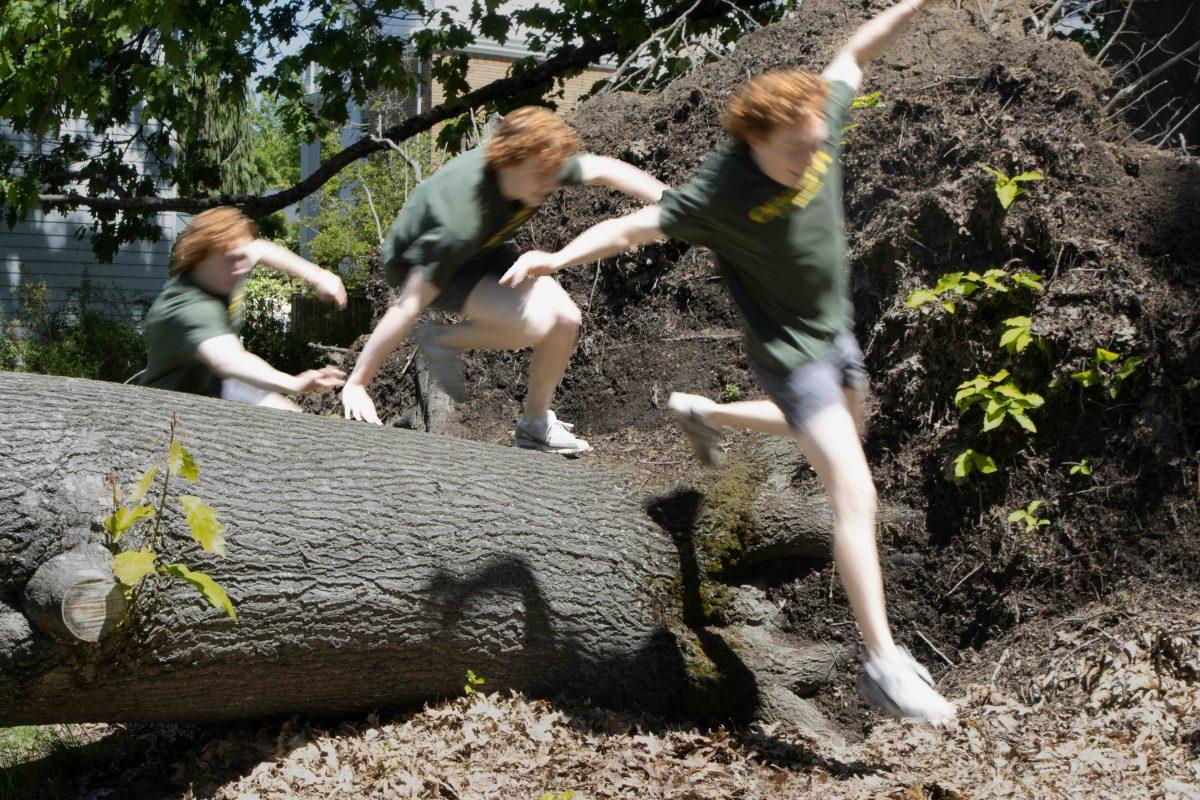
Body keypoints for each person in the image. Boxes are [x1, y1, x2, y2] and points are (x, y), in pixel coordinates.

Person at [498, 0, 956, 719]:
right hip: (788, 349)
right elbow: (628, 228)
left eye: (816, 145)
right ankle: (882, 661)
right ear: (757, 139)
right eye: (795, 152)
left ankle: (704, 410)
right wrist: (556, 254)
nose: (811, 158)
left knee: (844, 437)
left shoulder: (815, 117)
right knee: (854, 492)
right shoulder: (721, 191)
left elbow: (857, 52)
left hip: (835, 326)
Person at [339, 106, 668, 454]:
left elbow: (603, 168)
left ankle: (534, 425)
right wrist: (358, 383)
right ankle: (440, 339)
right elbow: (407, 305)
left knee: (566, 319)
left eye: (556, 173)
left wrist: (671, 200)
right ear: (509, 161)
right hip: (422, 263)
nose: (553, 184)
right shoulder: (461, 218)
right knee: (534, 324)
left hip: (484, 248)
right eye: (543, 175)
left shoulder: (539, 167)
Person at [140, 207, 347, 410]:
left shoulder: (226, 264)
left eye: (242, 256)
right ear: (199, 258)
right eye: (232, 259)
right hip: (171, 406)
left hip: (218, 384)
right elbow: (229, 360)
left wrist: (317, 275)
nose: (242, 267)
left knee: (293, 422)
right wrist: (293, 383)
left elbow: (260, 249)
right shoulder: (189, 306)